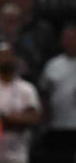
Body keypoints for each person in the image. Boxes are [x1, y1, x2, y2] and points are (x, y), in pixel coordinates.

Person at [0, 43, 40, 163]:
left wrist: (3, 118)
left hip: (18, 154)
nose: (5, 59)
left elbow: (34, 118)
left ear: (15, 59)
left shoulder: (27, 89)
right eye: (1, 56)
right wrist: (15, 120)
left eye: (8, 55)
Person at [38, 24, 76, 162]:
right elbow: (44, 94)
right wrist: (45, 119)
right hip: (57, 125)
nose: (70, 41)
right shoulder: (53, 65)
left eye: (73, 38)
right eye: (67, 38)